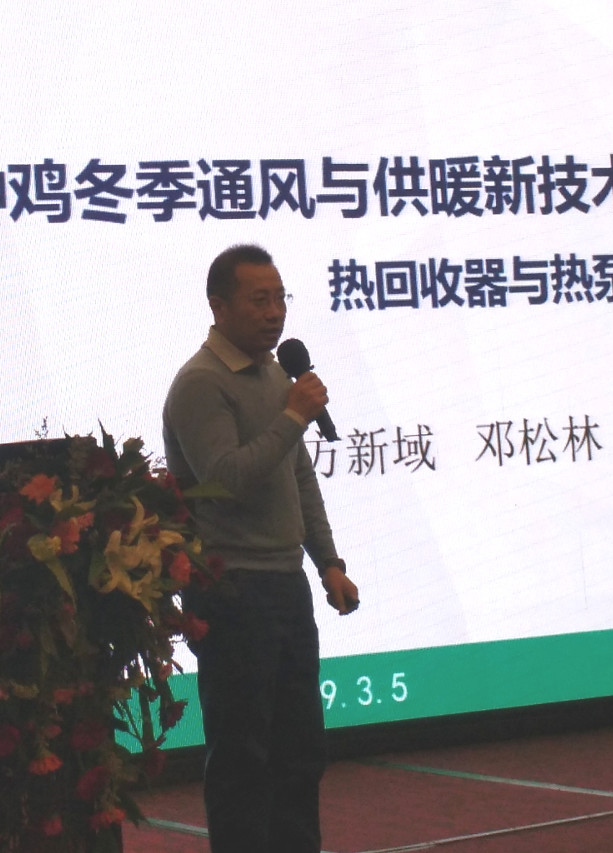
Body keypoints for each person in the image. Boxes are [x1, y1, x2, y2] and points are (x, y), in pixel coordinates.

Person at [163, 244, 359, 853]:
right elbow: (226, 480)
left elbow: (298, 476)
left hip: (285, 583)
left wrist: (329, 563)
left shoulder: (276, 375)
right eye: (259, 300)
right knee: (242, 756)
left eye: (280, 298)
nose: (275, 313)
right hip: (231, 588)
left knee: (301, 751)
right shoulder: (200, 384)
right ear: (219, 306)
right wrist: (293, 416)